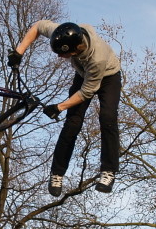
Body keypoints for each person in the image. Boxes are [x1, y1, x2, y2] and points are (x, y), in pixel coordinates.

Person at [8, 20, 122, 196]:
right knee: (72, 124)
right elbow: (38, 26)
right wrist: (19, 52)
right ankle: (57, 173)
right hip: (83, 75)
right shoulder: (65, 33)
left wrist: (59, 107)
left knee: (107, 118)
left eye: (63, 54)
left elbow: (86, 92)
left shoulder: (96, 58)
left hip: (108, 77)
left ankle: (108, 171)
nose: (60, 57)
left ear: (77, 48)